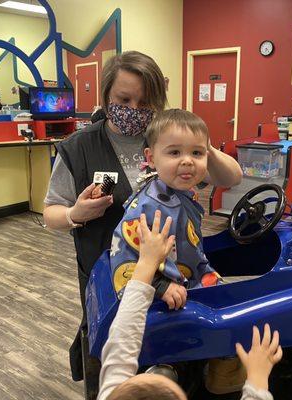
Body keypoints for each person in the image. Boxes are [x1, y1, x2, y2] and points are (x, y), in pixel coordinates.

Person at [42, 51, 242, 390]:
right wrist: (75, 214)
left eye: (145, 101)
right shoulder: (79, 147)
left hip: (175, 275)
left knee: (173, 354)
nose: (134, 109)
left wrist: (197, 142)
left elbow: (232, 178)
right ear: (106, 96)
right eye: (123, 99)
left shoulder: (169, 138)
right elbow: (51, 213)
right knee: (119, 359)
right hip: (111, 276)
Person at [98, 210, 283, 400]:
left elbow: (123, 335)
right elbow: (121, 343)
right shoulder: (113, 390)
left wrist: (146, 262)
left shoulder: (112, 394)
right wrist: (258, 380)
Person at [109, 109, 222, 310]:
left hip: (191, 277)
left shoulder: (185, 192)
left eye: (197, 153)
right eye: (174, 152)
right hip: (161, 296)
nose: (187, 160)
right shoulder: (147, 207)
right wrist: (159, 286)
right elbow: (124, 261)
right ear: (151, 158)